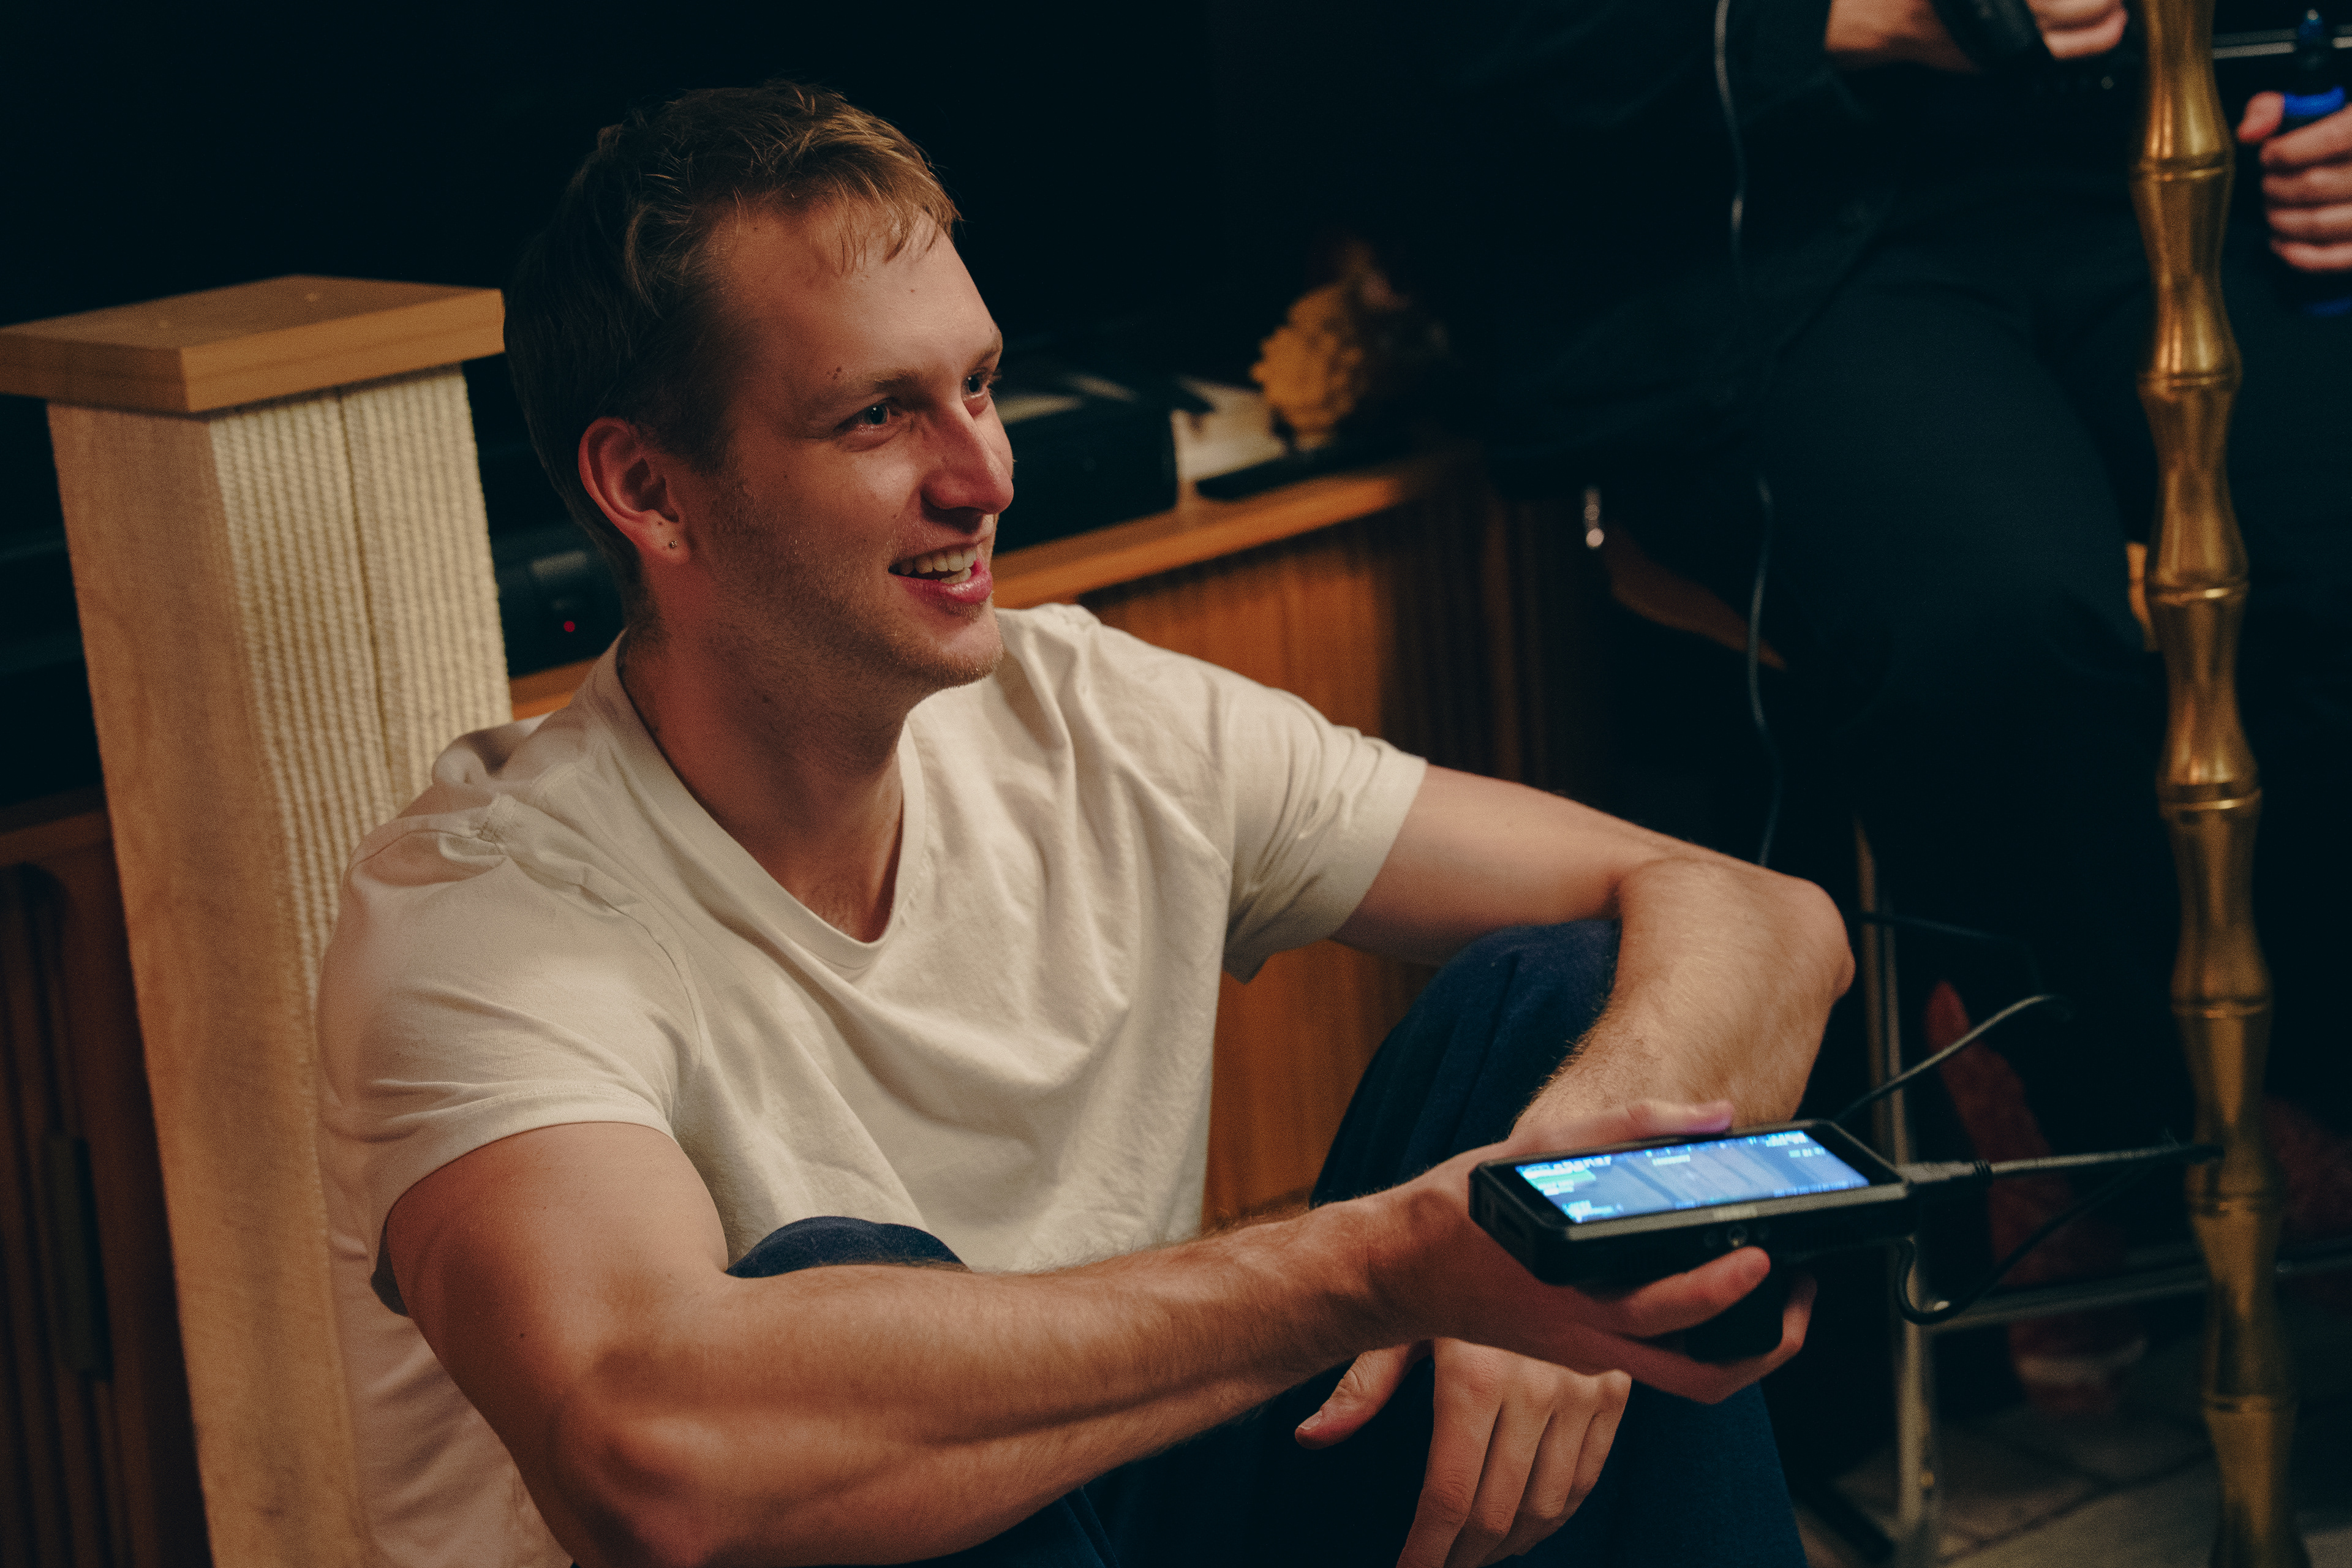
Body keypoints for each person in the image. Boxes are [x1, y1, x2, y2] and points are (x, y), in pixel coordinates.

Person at [314, 80, 1854, 1568]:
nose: (985, 474)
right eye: (877, 416)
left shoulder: (1093, 715)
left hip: (1138, 1512)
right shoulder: (486, 918)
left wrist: (1560, 1224)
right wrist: (1386, 1266)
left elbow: (1763, 914)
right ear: (650, 487)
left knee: (1574, 1002)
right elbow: (651, 1456)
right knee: (828, 1292)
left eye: (980, 384)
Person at [1369, 0, 2352, 1408]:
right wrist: (1856, 18)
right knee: (1998, 620)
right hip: (1784, 224)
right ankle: (2164, 1120)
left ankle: (2263, 1083)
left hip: (2183, 159)